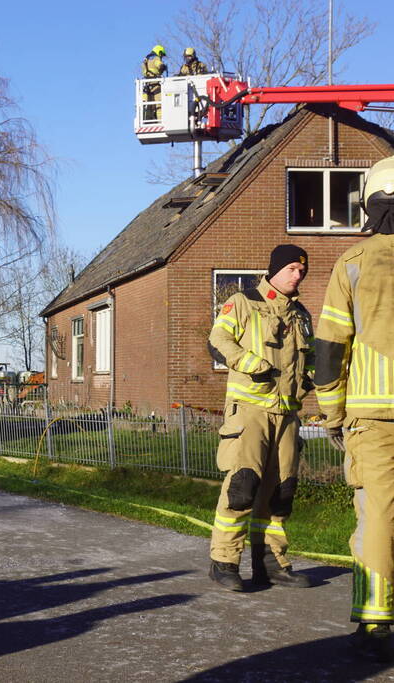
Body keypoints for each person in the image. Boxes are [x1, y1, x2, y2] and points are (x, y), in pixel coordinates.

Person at [314, 155, 394, 661]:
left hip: (373, 414)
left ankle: (376, 619)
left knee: (378, 515)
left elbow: (329, 347)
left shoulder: (353, 262)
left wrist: (332, 412)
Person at [207, 245, 314, 592]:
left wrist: (312, 378)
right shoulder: (243, 302)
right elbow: (218, 339)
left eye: (302, 271)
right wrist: (251, 364)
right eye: (292, 269)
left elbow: (309, 359)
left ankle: (271, 563)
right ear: (274, 270)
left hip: (287, 414)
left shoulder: (301, 315)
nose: (297, 275)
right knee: (242, 488)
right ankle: (224, 562)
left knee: (281, 493)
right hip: (250, 412)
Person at [141, 44, 167, 120]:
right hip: (156, 84)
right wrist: (164, 67)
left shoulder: (146, 59)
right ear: (159, 52)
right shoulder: (156, 58)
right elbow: (160, 65)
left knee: (149, 105)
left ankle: (148, 120)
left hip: (147, 84)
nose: (161, 57)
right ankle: (160, 120)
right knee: (159, 104)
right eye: (161, 55)